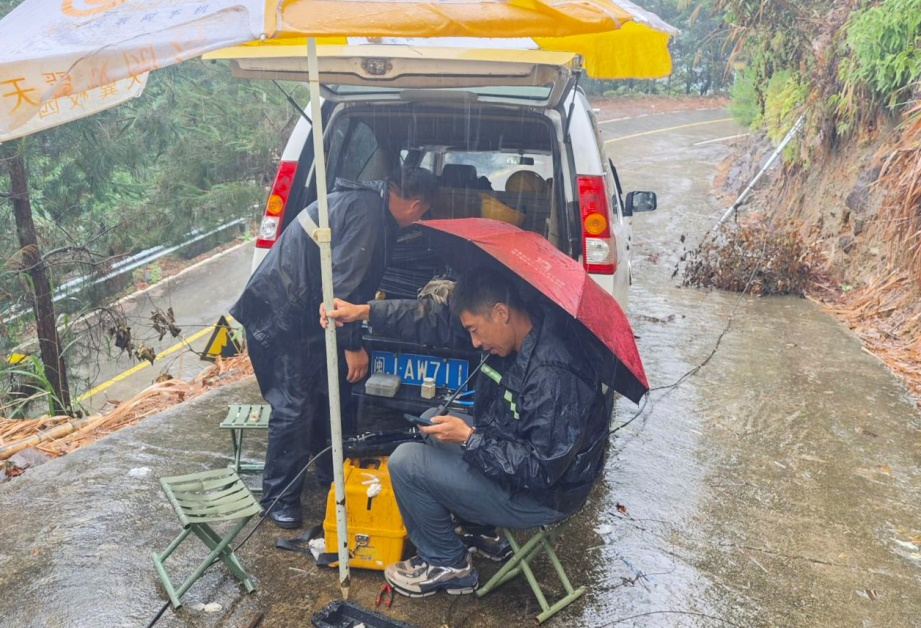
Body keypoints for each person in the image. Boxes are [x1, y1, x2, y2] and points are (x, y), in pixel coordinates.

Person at [322, 269, 611, 597]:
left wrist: (470, 438)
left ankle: (447, 563)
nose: (474, 342)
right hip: (516, 457)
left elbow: (539, 470)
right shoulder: (520, 329)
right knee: (432, 422)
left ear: (501, 313)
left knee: (406, 462)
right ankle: (481, 530)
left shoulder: (553, 376)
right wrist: (364, 312)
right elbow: (434, 320)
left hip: (544, 496)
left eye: (474, 330)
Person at [231, 166, 437, 529]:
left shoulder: (370, 203)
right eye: (423, 214)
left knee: (327, 394)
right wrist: (352, 345)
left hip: (302, 316)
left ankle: (330, 471)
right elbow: (341, 290)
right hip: (279, 314)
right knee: (294, 406)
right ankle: (278, 498)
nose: (418, 221)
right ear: (416, 205)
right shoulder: (368, 214)